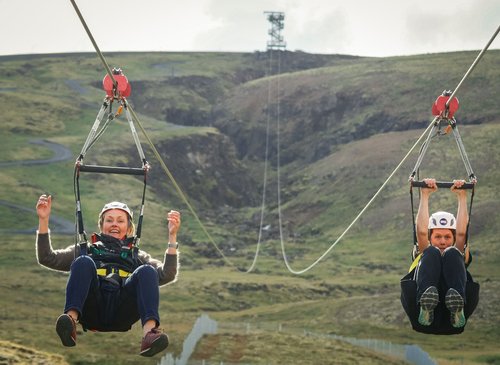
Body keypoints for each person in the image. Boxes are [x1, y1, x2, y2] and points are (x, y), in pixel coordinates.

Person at [36, 194, 180, 357]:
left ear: (129, 227)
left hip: (122, 312)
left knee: (147, 270)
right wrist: (43, 220)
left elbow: (167, 274)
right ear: (102, 224)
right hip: (92, 310)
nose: (114, 225)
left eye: (120, 221)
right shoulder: (85, 250)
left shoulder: (137, 256)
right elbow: (47, 258)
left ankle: (150, 335)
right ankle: (70, 322)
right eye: (109, 220)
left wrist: (172, 236)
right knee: (83, 261)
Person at [400, 178, 479, 335]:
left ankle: (456, 309)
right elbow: (422, 232)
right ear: (430, 237)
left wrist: (462, 196)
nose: (443, 241)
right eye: (437, 237)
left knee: (452, 253)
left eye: (447, 237)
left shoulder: (456, 254)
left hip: (451, 321)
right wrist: (425, 194)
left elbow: (462, 233)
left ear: (453, 238)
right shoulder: (426, 251)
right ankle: (426, 306)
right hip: (421, 317)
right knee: (431, 252)